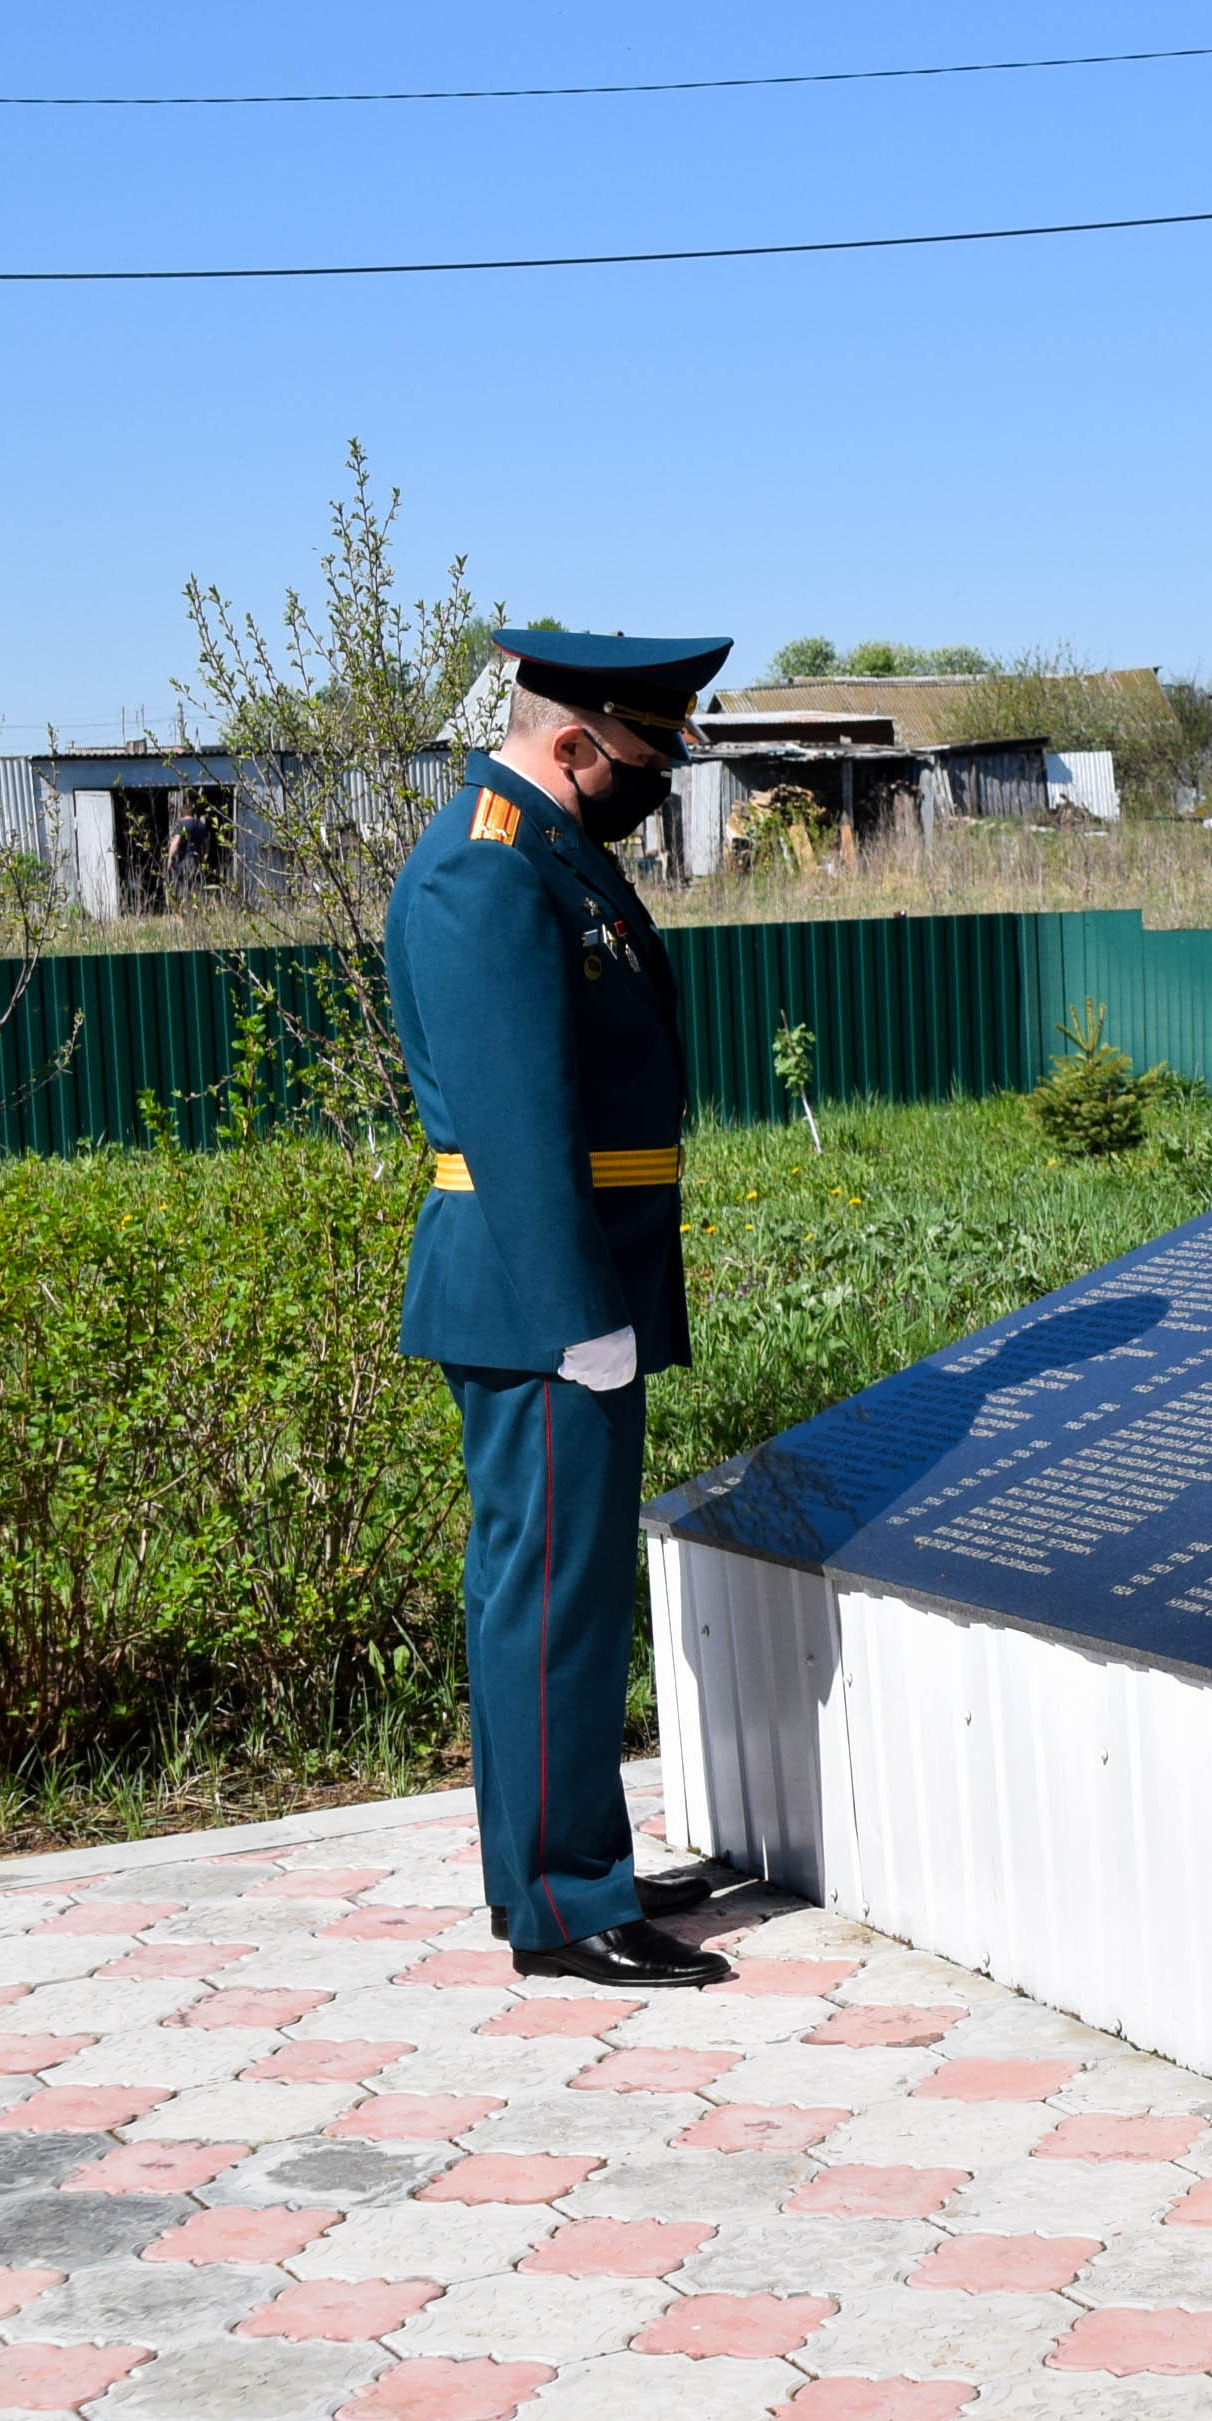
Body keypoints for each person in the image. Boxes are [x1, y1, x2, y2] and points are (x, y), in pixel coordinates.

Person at [386, 628, 732, 1987]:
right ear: (570, 743)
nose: (656, 784)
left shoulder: (541, 848)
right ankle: (561, 1906)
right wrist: (583, 1317)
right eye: (644, 760)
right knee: (548, 1600)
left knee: (565, 1594)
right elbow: (518, 1122)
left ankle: (568, 1854)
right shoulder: (488, 864)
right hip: (545, 1300)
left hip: (581, 1285)